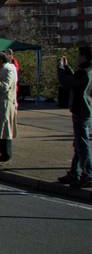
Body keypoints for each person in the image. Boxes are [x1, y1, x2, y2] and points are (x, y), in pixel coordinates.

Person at [57, 47, 92, 189]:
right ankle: (74, 172)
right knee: (78, 143)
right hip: (87, 108)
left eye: (79, 56)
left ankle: (88, 173)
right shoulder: (87, 71)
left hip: (81, 110)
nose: (78, 58)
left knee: (82, 144)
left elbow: (68, 83)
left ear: (84, 57)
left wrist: (60, 69)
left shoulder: (84, 72)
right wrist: (67, 67)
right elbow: (75, 81)